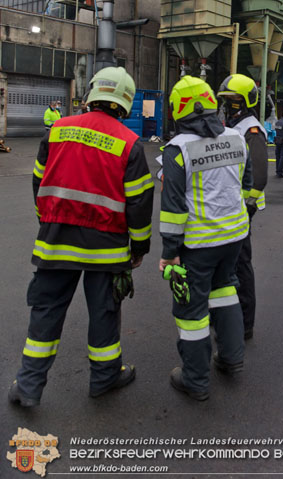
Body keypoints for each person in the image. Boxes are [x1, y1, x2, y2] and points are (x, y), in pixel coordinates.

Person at [9, 67, 154, 407]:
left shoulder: (58, 130)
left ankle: (28, 387)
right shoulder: (130, 144)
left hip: (55, 240)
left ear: (91, 93)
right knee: (104, 312)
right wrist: (140, 247)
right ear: (125, 101)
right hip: (106, 248)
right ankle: (104, 379)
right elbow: (139, 203)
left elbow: (38, 181)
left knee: (45, 311)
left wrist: (46, 220)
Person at [160, 75, 252, 401]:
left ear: (176, 111)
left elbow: (172, 209)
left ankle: (195, 380)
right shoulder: (236, 138)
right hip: (235, 237)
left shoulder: (177, 150)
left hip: (198, 245)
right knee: (226, 292)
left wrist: (169, 253)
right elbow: (247, 185)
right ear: (212, 103)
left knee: (191, 311)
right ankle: (231, 359)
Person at [218, 74, 268, 340]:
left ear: (248, 101)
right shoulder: (234, 125)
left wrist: (247, 206)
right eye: (226, 100)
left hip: (242, 209)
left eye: (235, 100)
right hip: (232, 206)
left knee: (241, 265)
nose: (230, 105)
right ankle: (230, 316)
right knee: (231, 264)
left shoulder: (252, 131)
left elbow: (259, 176)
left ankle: (245, 323)